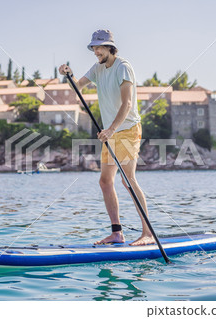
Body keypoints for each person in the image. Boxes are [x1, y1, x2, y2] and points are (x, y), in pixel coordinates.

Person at [59, 29, 154, 246]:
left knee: (127, 180)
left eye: (99, 47)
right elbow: (76, 85)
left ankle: (147, 233)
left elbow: (127, 104)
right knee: (105, 181)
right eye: (93, 47)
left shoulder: (123, 67)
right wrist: (68, 74)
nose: (95, 51)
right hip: (110, 132)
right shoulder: (98, 68)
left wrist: (111, 129)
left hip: (128, 129)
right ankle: (117, 233)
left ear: (110, 47)